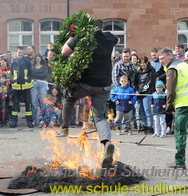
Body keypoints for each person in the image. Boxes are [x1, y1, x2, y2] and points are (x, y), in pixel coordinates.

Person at [57, 19, 120, 168]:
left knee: (69, 98)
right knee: (100, 117)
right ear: (101, 27)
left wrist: (72, 35)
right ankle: (106, 143)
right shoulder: (109, 36)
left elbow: (64, 52)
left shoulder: (82, 37)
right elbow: (118, 39)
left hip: (86, 84)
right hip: (104, 85)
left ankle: (64, 127)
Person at [10, 46, 34, 128]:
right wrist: (13, 81)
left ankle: (30, 122)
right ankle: (14, 122)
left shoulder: (27, 61)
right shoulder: (13, 62)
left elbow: (30, 73)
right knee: (15, 105)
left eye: (22, 52)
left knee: (28, 105)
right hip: (16, 87)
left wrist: (28, 80)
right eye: (19, 52)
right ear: (16, 52)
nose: (20, 54)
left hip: (26, 86)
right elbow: (12, 74)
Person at [135, 56, 156, 134]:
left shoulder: (151, 71)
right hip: (139, 94)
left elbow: (150, 83)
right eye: (141, 63)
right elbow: (136, 82)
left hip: (147, 93)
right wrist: (136, 90)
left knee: (147, 109)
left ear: (147, 63)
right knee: (141, 110)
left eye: (144, 63)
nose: (142, 64)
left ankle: (150, 126)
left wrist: (141, 91)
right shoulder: (138, 72)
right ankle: (144, 125)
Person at [30, 54, 49, 125]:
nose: (38, 59)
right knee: (34, 103)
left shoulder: (44, 66)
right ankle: (34, 120)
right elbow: (31, 75)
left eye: (39, 58)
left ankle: (43, 120)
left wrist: (37, 76)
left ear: (41, 59)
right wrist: (38, 76)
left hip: (43, 84)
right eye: (36, 58)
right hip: (34, 84)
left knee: (43, 103)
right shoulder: (32, 66)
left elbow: (45, 74)